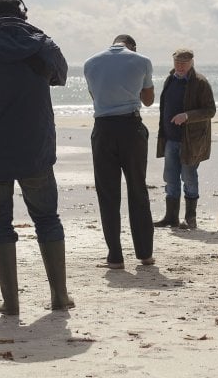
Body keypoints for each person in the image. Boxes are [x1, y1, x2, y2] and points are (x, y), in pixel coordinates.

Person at [0, 0, 74, 315]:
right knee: (47, 219)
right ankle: (59, 297)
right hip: (35, 148)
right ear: (23, 14)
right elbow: (61, 77)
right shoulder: (43, 45)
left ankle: (11, 302)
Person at [83, 34, 155, 269]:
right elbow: (148, 100)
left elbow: (94, 96)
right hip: (131, 127)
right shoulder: (141, 60)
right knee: (138, 190)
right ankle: (144, 253)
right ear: (132, 46)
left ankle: (115, 256)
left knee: (108, 194)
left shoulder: (90, 63)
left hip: (103, 129)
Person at [154, 48, 216, 229]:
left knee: (189, 177)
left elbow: (210, 111)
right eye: (177, 63)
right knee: (170, 178)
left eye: (184, 63)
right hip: (170, 139)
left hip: (191, 141)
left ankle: (191, 218)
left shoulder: (200, 83)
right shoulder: (170, 79)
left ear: (192, 63)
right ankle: (171, 218)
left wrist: (187, 116)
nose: (180, 66)